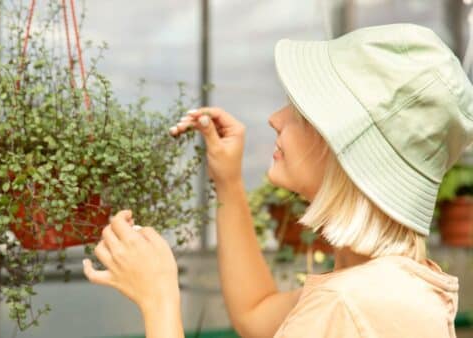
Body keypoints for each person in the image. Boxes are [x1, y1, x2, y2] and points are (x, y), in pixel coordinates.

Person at [83, 23, 473, 338]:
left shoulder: (346, 304)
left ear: (343, 153)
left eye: (301, 112)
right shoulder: (384, 285)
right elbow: (256, 315)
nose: (275, 117)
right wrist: (229, 181)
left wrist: (159, 299)